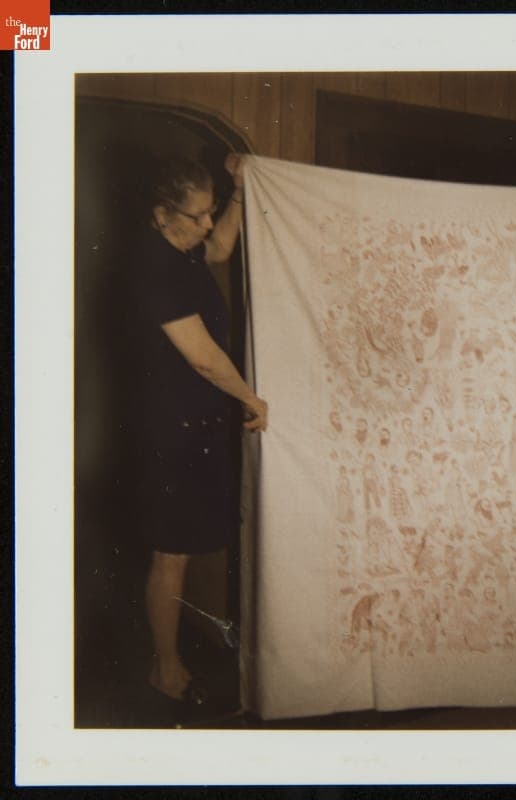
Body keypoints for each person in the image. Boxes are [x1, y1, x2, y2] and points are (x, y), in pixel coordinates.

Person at [132, 153, 267, 703]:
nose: (208, 225)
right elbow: (203, 358)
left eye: (211, 212)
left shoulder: (183, 249)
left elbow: (223, 247)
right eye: (197, 216)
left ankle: (174, 658)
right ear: (163, 214)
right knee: (171, 554)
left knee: (185, 549)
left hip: (196, 424)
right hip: (170, 430)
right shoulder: (153, 266)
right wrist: (250, 398)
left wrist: (236, 191)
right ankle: (164, 669)